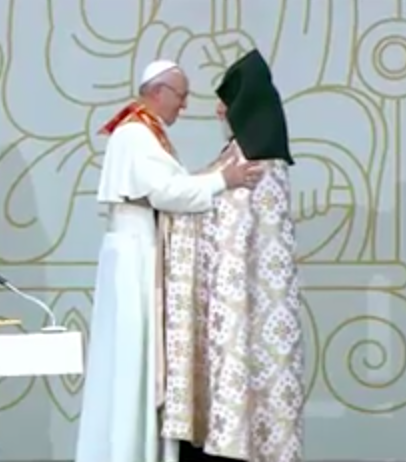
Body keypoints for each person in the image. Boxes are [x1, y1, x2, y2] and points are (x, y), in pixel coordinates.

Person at [75, 60, 266, 462]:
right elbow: (166, 192)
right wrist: (224, 181)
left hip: (141, 245)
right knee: (135, 364)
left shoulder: (143, 129)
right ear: (159, 91)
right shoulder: (135, 133)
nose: (184, 104)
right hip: (136, 254)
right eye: (181, 95)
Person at [162, 49, 304, 462]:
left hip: (248, 307)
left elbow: (232, 220)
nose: (219, 109)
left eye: (226, 100)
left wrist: (173, 200)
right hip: (227, 301)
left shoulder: (260, 159)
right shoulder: (237, 152)